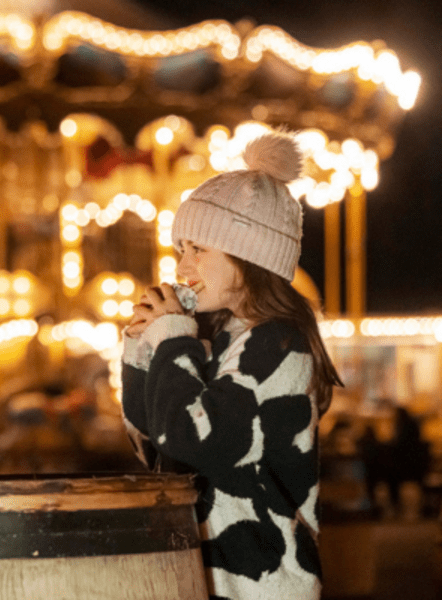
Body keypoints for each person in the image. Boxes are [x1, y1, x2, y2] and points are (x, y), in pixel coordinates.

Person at [121, 131, 342, 600]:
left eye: (198, 249)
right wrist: (145, 349)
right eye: (181, 249)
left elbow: (191, 439)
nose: (183, 266)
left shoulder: (277, 341)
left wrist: (171, 338)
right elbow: (156, 448)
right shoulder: (219, 338)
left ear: (250, 254)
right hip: (217, 575)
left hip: (260, 580)